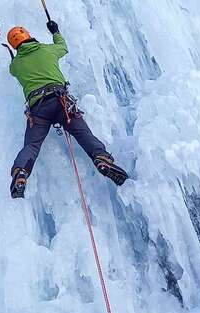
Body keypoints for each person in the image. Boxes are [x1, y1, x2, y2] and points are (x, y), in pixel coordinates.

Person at [7, 21, 128, 199]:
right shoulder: (47, 50)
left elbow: (15, 69)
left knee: (32, 145)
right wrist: (55, 31)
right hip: (61, 101)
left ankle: (21, 172)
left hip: (38, 109)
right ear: (28, 35)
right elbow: (63, 47)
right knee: (82, 134)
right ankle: (102, 158)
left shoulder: (15, 65)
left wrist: (16, 58)